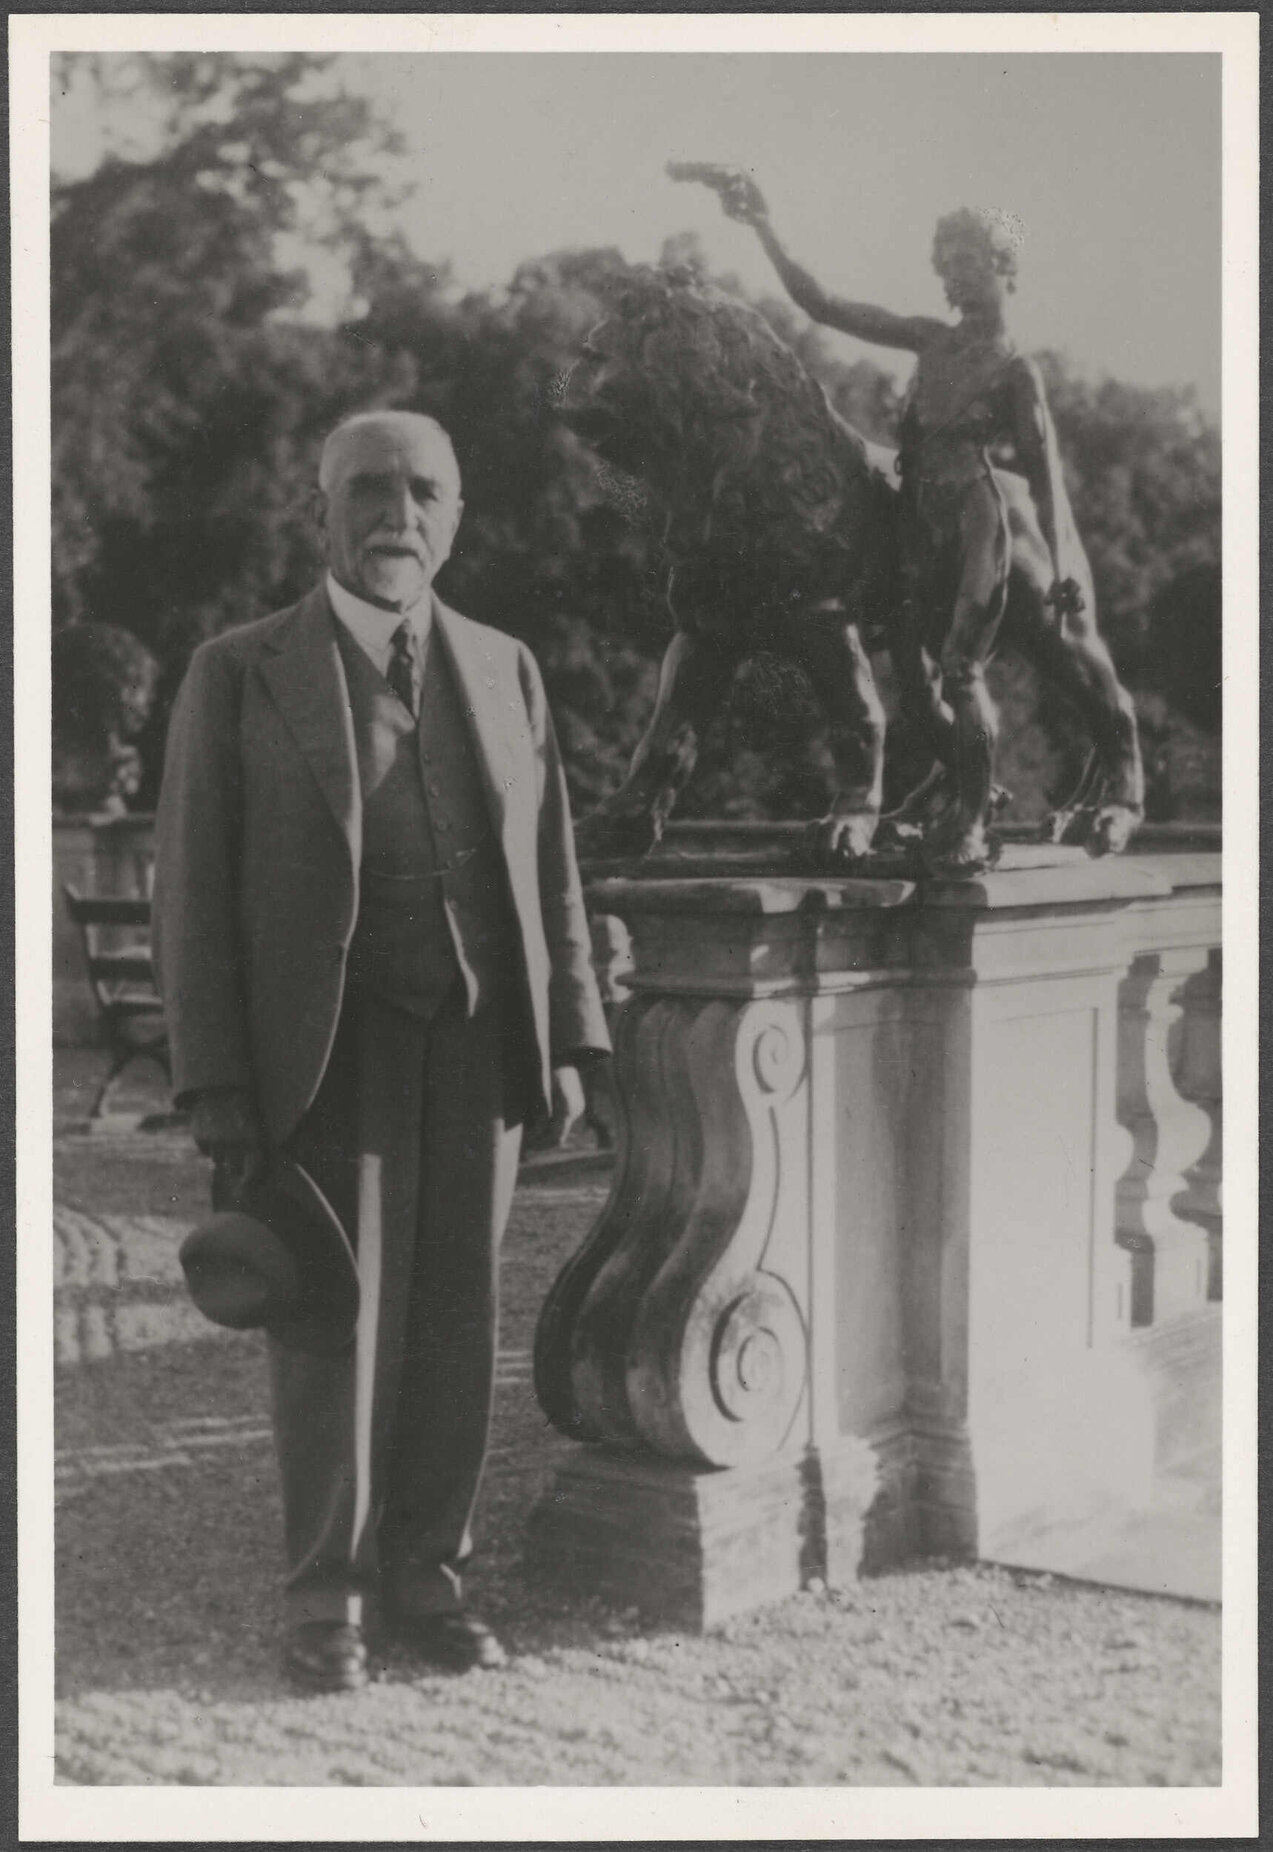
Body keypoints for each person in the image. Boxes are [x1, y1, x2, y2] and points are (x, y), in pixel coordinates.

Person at [152, 410, 610, 1691]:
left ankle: (428, 1573)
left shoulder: (506, 667)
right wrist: (219, 1083)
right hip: (323, 1054)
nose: (394, 513)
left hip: (479, 1044)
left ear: (456, 516)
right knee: (331, 1333)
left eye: (422, 491)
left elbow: (552, 869)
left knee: (456, 1324)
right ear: (322, 512)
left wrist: (573, 1034)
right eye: (368, 489)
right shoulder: (239, 673)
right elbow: (191, 893)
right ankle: (328, 1600)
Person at [693, 169, 1142, 872]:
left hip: (974, 522)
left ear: (1002, 268)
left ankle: (983, 816)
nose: (951, 280)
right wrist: (763, 227)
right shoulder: (929, 340)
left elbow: (1045, 472)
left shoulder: (1015, 368)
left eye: (966, 264)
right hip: (915, 523)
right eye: (945, 267)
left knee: (962, 669)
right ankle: (963, 789)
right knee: (914, 676)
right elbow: (824, 305)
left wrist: (1060, 565)